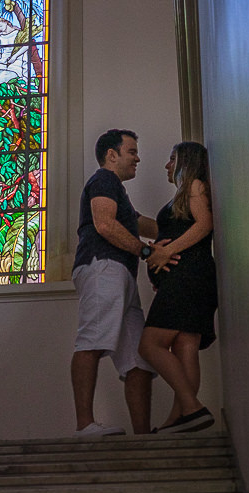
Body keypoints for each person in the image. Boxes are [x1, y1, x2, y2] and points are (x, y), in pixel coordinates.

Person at [71, 129, 177, 437]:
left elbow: (141, 223)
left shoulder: (115, 189)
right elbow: (105, 225)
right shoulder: (104, 179)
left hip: (120, 273)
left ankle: (142, 436)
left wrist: (180, 232)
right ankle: (84, 426)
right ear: (111, 155)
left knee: (138, 359)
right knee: (92, 340)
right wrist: (147, 252)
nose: (138, 158)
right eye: (131, 152)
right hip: (103, 267)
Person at [140, 141, 219, 433]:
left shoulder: (194, 186)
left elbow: (204, 224)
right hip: (192, 278)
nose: (167, 165)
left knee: (150, 345)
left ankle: (192, 407)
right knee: (185, 346)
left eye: (172, 159)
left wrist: (165, 252)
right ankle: (180, 419)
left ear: (186, 161)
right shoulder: (187, 192)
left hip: (188, 277)